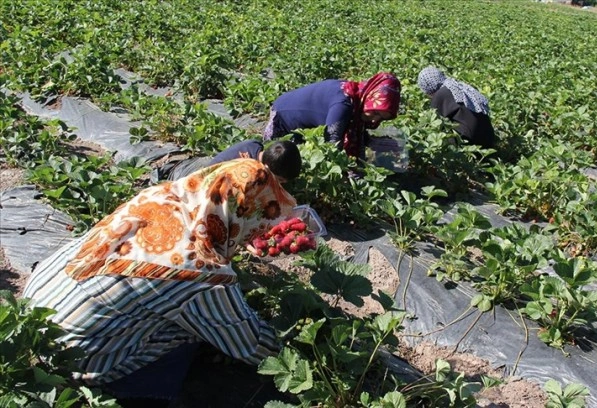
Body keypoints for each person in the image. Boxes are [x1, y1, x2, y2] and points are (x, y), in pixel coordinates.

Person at [22, 158, 298, 407]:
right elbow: (249, 344)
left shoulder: (162, 196)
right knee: (196, 331)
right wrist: (297, 354)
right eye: (258, 224)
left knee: (172, 306)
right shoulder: (201, 273)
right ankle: (141, 391)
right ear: (241, 218)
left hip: (33, 309)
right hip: (69, 355)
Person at [263, 72, 401, 161]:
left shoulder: (359, 96)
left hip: (307, 119)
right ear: (369, 98)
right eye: (375, 112)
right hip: (285, 116)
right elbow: (331, 145)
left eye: (383, 118)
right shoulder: (343, 105)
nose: (375, 120)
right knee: (284, 160)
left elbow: (356, 133)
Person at [417, 66, 497, 150]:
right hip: (489, 141)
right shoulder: (455, 85)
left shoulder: (440, 94)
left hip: (471, 143)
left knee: (439, 134)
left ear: (427, 86)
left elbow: (432, 124)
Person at [158, 139, 302, 182]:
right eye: (280, 181)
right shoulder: (248, 175)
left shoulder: (254, 145)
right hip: (198, 181)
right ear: (266, 167)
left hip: (206, 165)